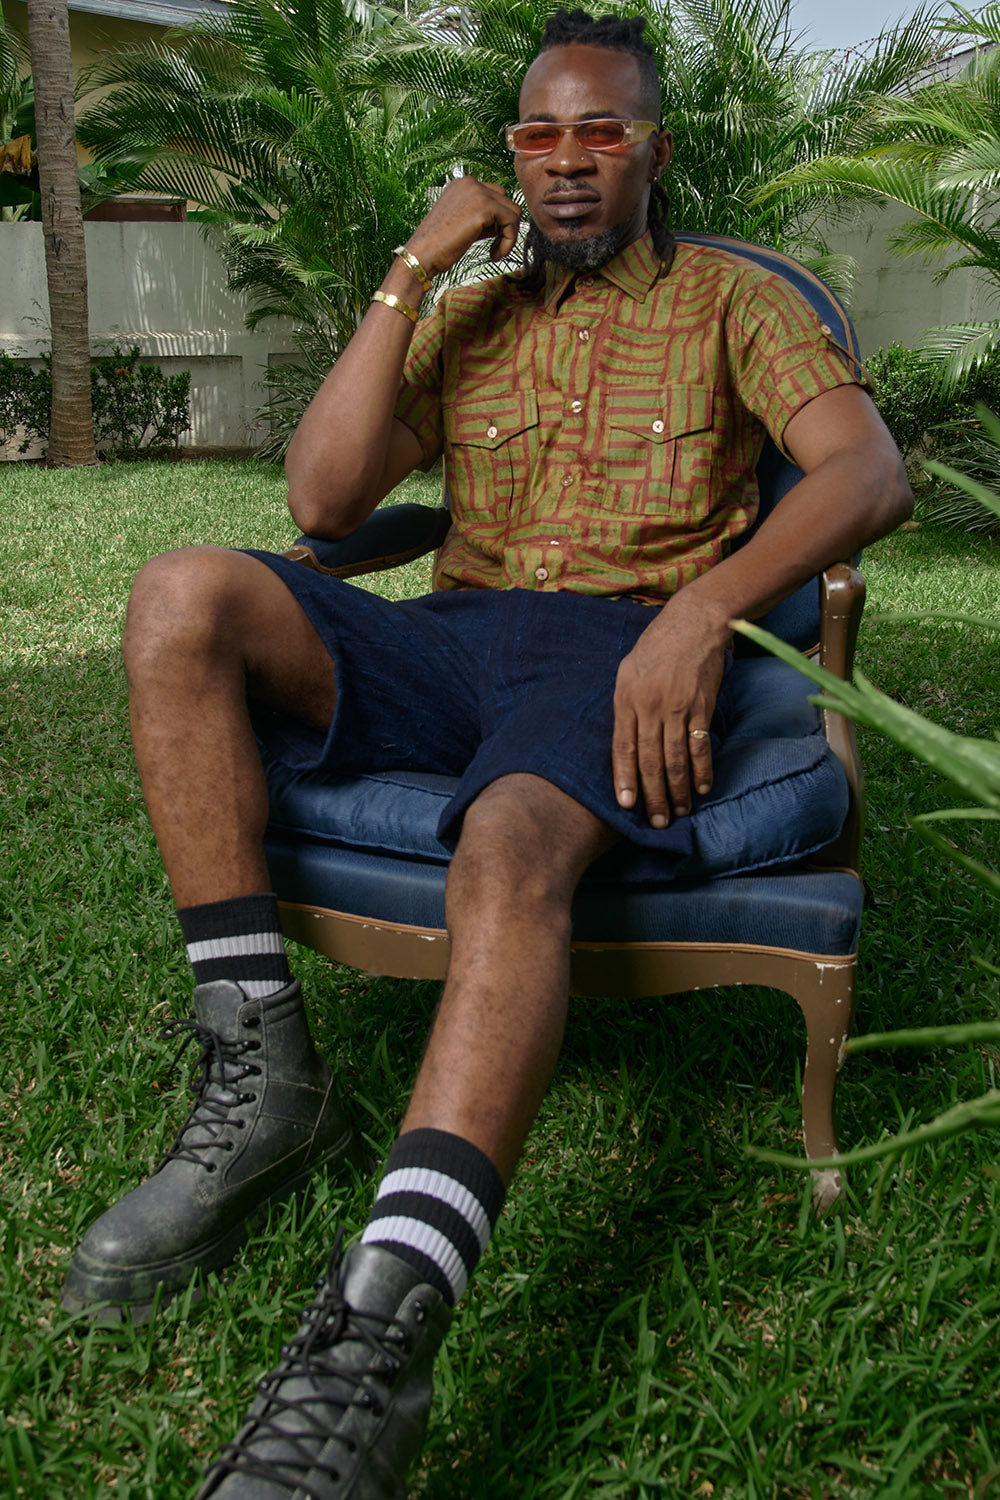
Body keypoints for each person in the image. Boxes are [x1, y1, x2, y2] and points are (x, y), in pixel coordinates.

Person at [62, 9, 912, 1496]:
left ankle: (374, 1340)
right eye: (541, 133)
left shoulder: (732, 302)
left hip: (616, 649)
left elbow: (867, 469)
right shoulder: (470, 307)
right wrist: (417, 265)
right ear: (511, 154)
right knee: (182, 595)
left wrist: (703, 610)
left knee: (511, 844)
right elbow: (328, 506)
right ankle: (262, 1073)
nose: (570, 161)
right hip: (448, 634)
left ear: (654, 146)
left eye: (603, 131)